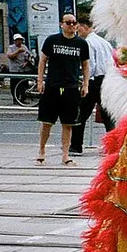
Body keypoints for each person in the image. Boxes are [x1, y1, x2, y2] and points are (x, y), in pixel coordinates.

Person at [36, 13, 89, 166]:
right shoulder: (52, 40)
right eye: (68, 23)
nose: (71, 26)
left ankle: (65, 155)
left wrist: (85, 84)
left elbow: (85, 65)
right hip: (52, 85)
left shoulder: (81, 44)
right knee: (46, 122)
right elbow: (43, 60)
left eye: (74, 23)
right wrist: (40, 80)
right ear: (61, 24)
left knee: (68, 123)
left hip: (71, 87)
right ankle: (41, 152)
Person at [70, 16, 117, 154]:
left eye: (79, 29)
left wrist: (85, 82)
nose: (78, 33)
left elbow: (90, 65)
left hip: (94, 81)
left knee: (81, 114)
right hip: (106, 79)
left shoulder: (88, 43)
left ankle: (76, 145)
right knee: (107, 115)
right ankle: (113, 146)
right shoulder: (105, 42)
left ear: (85, 27)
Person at [5, 33, 34, 104]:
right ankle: (15, 99)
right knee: (14, 85)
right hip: (15, 69)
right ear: (15, 41)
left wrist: (26, 62)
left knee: (24, 85)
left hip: (24, 69)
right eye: (18, 40)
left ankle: (23, 98)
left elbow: (29, 56)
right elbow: (9, 56)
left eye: (20, 40)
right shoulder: (11, 48)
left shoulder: (24, 47)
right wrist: (17, 51)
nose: (19, 42)